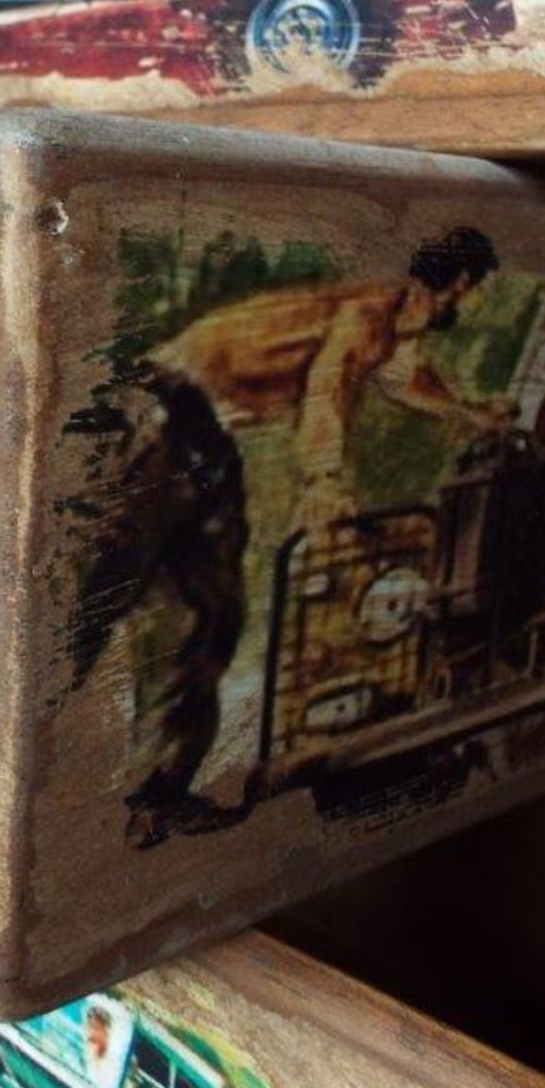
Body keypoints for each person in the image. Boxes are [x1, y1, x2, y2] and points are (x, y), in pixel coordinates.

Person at [66, 226, 508, 846]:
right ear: (463, 282)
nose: (481, 304)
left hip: (205, 448)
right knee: (90, 599)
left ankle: (158, 798)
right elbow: (331, 384)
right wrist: (323, 479)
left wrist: (471, 412)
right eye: (483, 290)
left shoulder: (393, 322)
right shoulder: (369, 310)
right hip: (165, 421)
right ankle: (43, 769)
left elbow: (405, 378)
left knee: (208, 621)